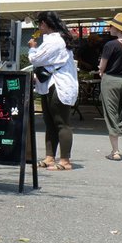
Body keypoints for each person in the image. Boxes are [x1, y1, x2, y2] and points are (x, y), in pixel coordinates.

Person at [28, 10, 79, 170]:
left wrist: (32, 48)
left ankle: (65, 160)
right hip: (49, 85)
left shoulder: (55, 41)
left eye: (40, 25)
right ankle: (50, 157)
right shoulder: (54, 39)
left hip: (59, 85)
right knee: (49, 123)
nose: (39, 28)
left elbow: (36, 59)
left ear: (44, 24)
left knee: (61, 123)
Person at [101, 12, 122, 161]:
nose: (109, 28)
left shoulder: (110, 45)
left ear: (117, 28)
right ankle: (121, 127)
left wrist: (100, 71)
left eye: (111, 25)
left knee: (111, 114)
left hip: (111, 79)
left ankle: (115, 151)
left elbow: (102, 65)